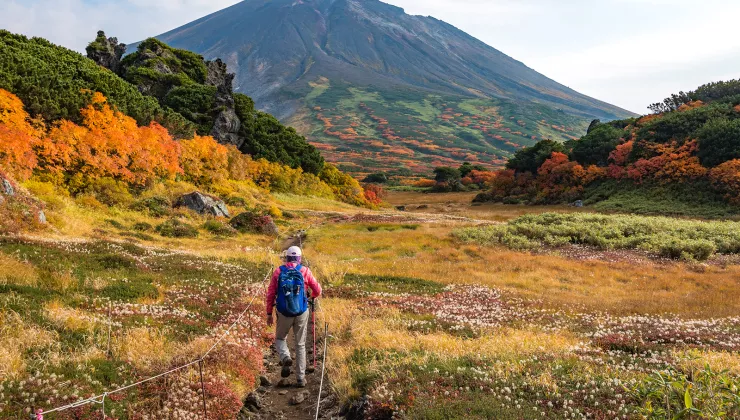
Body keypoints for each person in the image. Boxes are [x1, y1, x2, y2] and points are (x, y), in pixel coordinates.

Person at [265, 246, 322, 387]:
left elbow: (271, 294)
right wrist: (311, 297)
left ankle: (285, 357)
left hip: (283, 312)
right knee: (300, 344)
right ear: (300, 258)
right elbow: (318, 290)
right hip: (301, 311)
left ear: (287, 258)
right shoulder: (305, 271)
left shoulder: (278, 272)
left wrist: (269, 313)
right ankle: (301, 378)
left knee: (279, 338)